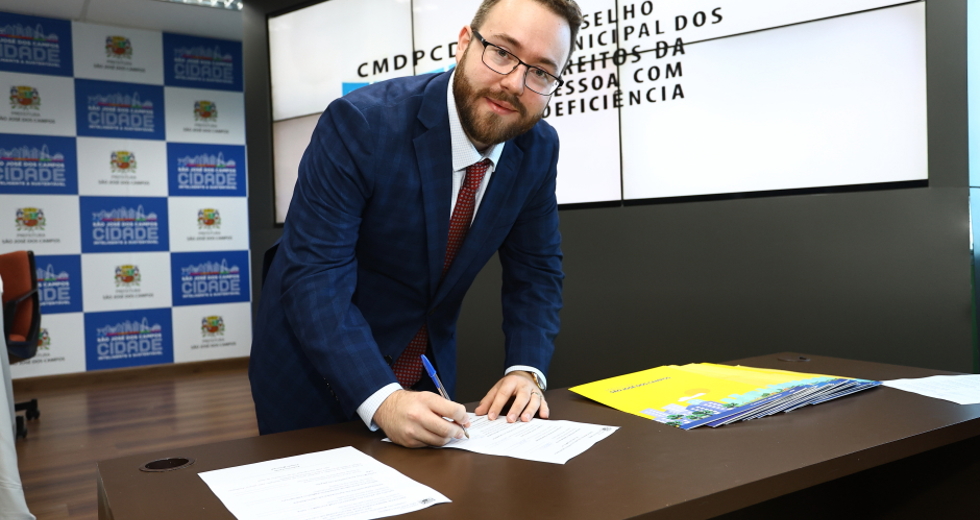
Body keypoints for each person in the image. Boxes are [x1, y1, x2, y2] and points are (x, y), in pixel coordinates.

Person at [249, 0, 582, 448]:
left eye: (541, 72)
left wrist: (525, 369)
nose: (514, 84)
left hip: (427, 372)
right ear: (465, 43)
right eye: (502, 52)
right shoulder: (362, 123)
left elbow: (537, 272)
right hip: (315, 369)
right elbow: (314, 274)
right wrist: (382, 397)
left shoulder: (536, 147)